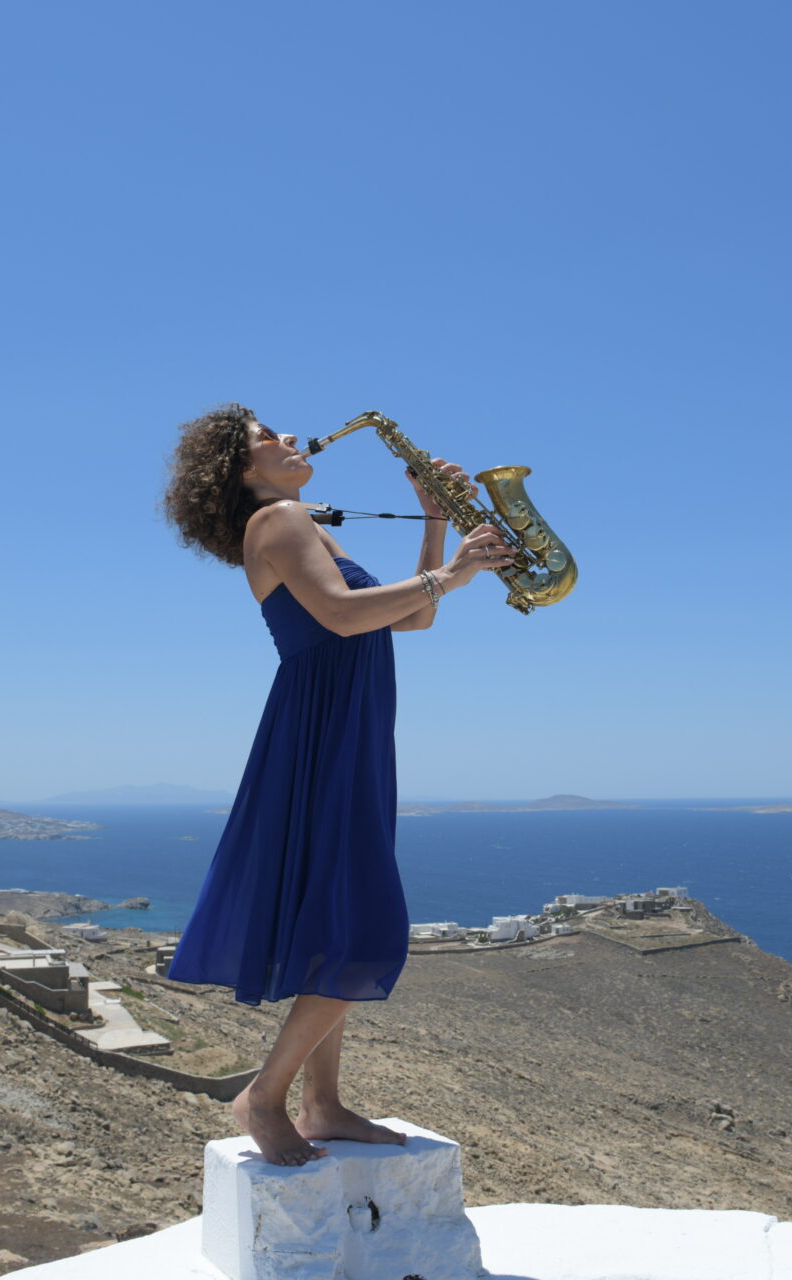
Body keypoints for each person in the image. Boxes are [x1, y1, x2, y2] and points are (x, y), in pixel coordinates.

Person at [159, 402, 513, 1167]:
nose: (289, 439)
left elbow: (408, 620)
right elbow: (342, 617)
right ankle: (264, 1094)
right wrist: (453, 570)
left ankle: (323, 1103)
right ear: (241, 469)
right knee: (366, 926)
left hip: (345, 725)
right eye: (266, 438)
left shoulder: (306, 525)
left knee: (334, 918)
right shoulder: (278, 520)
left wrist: (435, 526)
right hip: (322, 729)